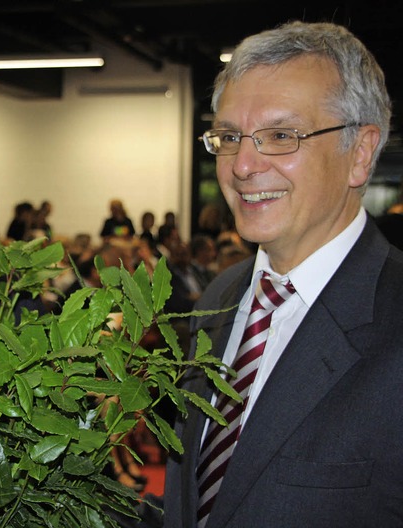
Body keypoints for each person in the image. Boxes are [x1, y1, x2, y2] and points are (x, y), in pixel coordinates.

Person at [126, 21, 403, 528]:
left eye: (280, 135)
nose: (242, 165)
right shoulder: (222, 298)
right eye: (229, 137)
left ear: (359, 154)